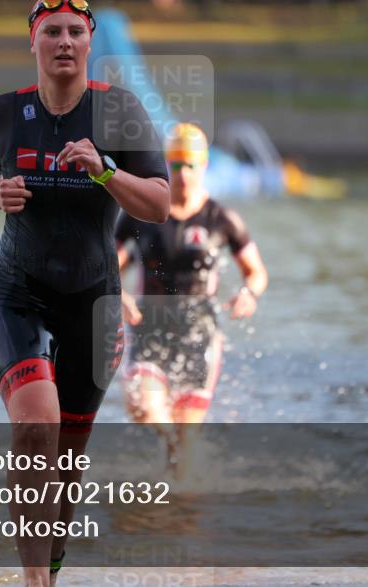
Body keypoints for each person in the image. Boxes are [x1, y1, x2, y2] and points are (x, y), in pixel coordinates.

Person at [0, 0, 169, 587]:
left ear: (90, 42)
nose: (64, 42)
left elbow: (159, 204)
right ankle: (33, 583)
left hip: (93, 306)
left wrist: (105, 169)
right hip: (15, 292)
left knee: (67, 462)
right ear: (33, 42)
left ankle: (48, 569)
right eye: (52, 32)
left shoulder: (119, 111)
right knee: (35, 424)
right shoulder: (0, 114)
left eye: (76, 32)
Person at [116, 123, 268, 478]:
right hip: (149, 328)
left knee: (185, 444)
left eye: (191, 165)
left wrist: (249, 293)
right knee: (144, 408)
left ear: (204, 166)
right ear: (165, 165)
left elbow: (256, 272)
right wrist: (117, 293)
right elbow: (107, 265)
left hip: (199, 335)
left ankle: (179, 503)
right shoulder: (141, 214)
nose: (183, 174)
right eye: (176, 164)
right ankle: (172, 455)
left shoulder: (222, 219)